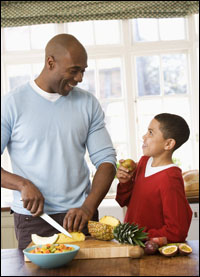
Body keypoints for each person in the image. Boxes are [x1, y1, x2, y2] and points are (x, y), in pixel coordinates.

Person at [1, 34, 116, 249]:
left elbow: (107, 162)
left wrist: (88, 208)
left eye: (83, 70)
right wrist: (22, 184)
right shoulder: (11, 104)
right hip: (34, 218)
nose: (80, 77)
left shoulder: (88, 103)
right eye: (74, 70)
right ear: (50, 63)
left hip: (81, 216)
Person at [116, 113, 192, 242]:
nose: (144, 136)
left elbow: (177, 231)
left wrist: (139, 236)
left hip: (150, 252)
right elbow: (123, 201)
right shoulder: (144, 162)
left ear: (168, 144)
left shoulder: (170, 179)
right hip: (132, 246)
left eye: (151, 133)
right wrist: (125, 182)